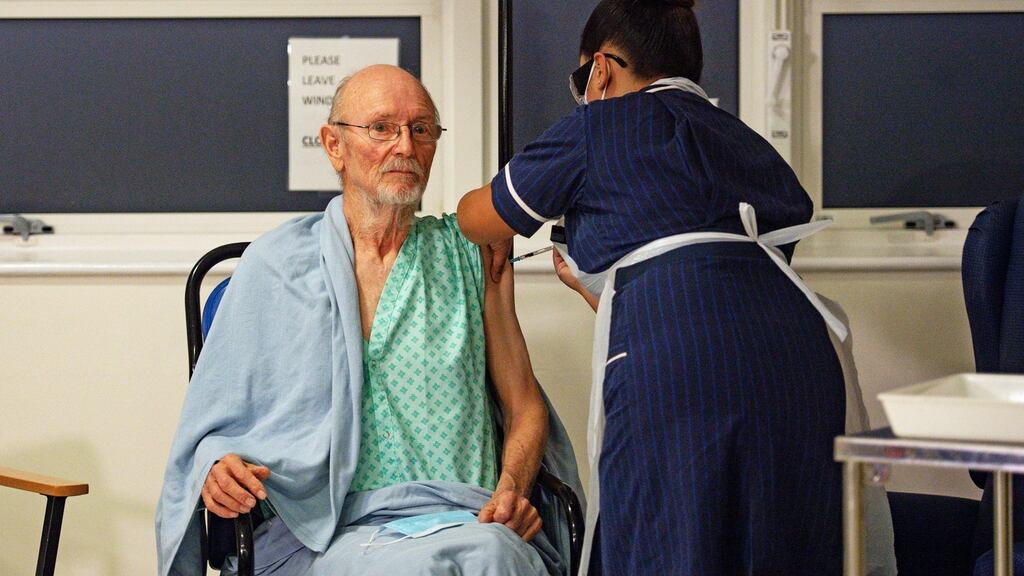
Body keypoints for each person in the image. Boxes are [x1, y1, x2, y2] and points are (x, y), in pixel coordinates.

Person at [457, 0, 848, 574]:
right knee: (778, 539)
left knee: (666, 538)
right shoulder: (748, 144)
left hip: (681, 372)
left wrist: (483, 224)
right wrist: (603, 291)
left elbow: (479, 218)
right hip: (801, 361)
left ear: (600, 70)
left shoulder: (599, 125)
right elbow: (721, 286)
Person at [157, 65, 580, 576]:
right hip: (321, 530)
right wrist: (215, 465)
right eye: (382, 128)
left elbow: (524, 405)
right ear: (334, 145)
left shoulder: (472, 253)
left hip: (462, 520)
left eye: (421, 129)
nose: (405, 145)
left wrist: (512, 487)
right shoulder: (275, 265)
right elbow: (213, 423)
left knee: (494, 556)